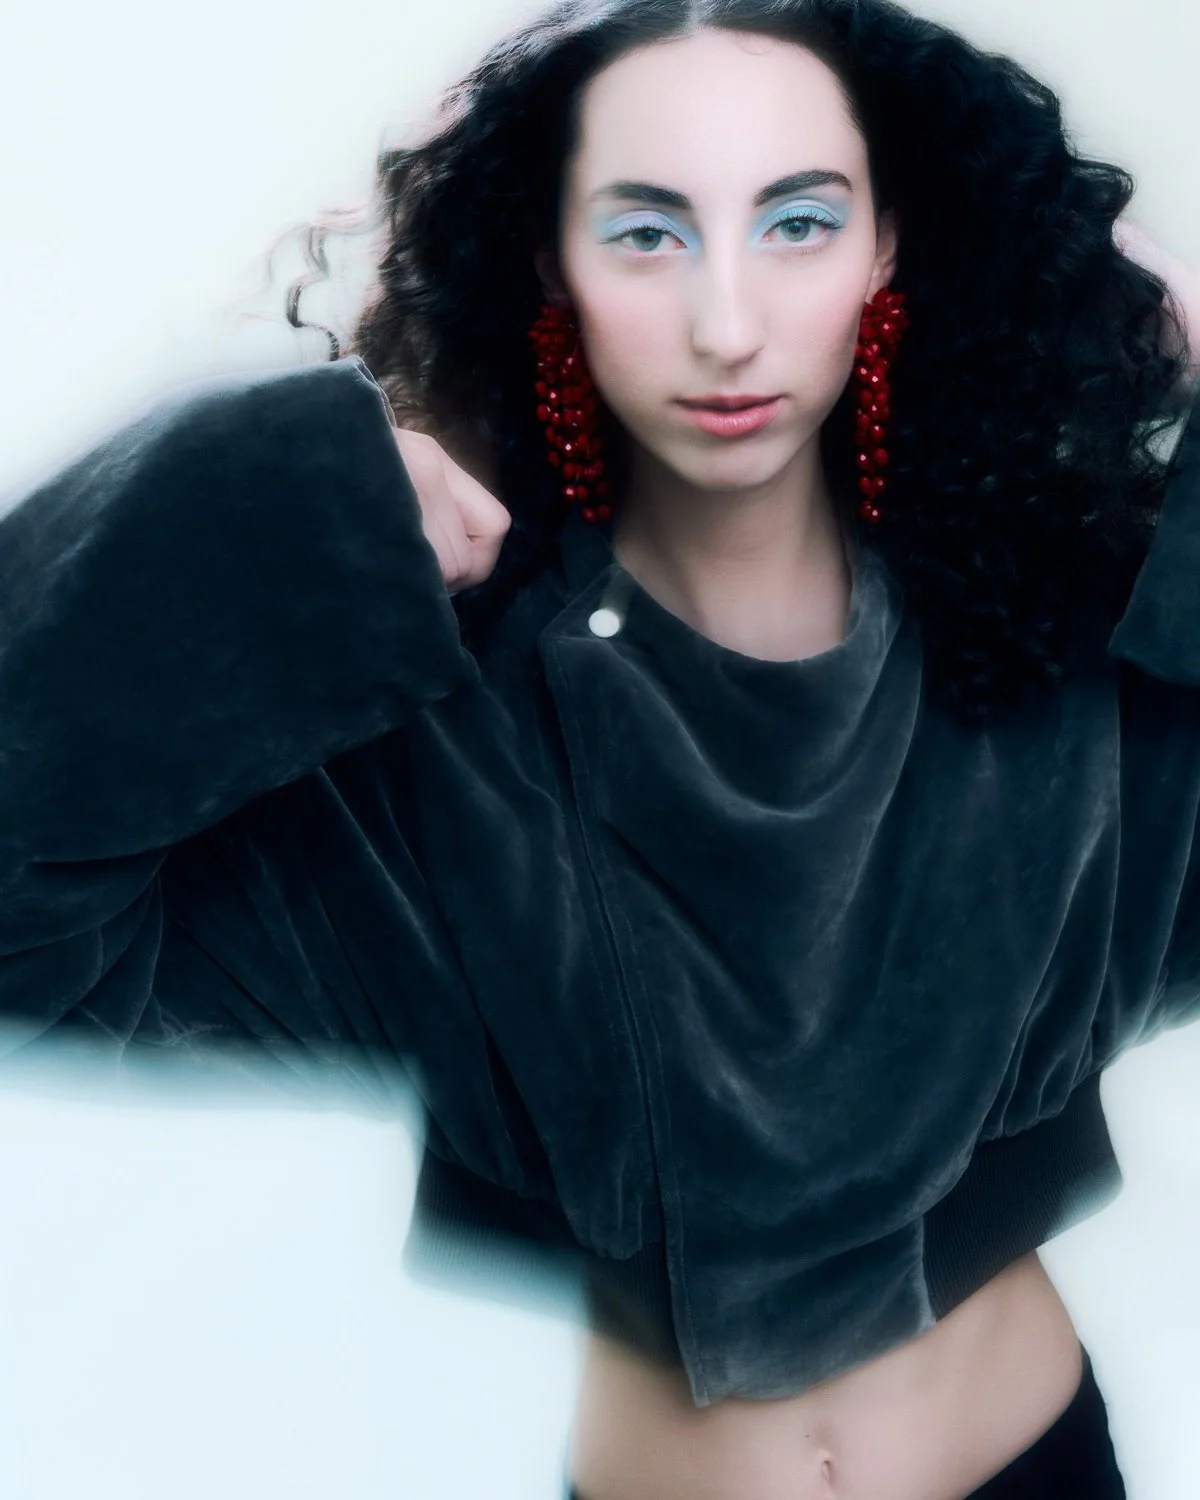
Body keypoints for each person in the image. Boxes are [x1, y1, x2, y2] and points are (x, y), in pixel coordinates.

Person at [3, 1, 1199, 1498]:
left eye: (799, 223)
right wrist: (298, 485)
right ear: (549, 264)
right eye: (645, 233)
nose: (726, 324)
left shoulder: (1042, 660)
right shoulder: (435, 732)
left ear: (886, 250)